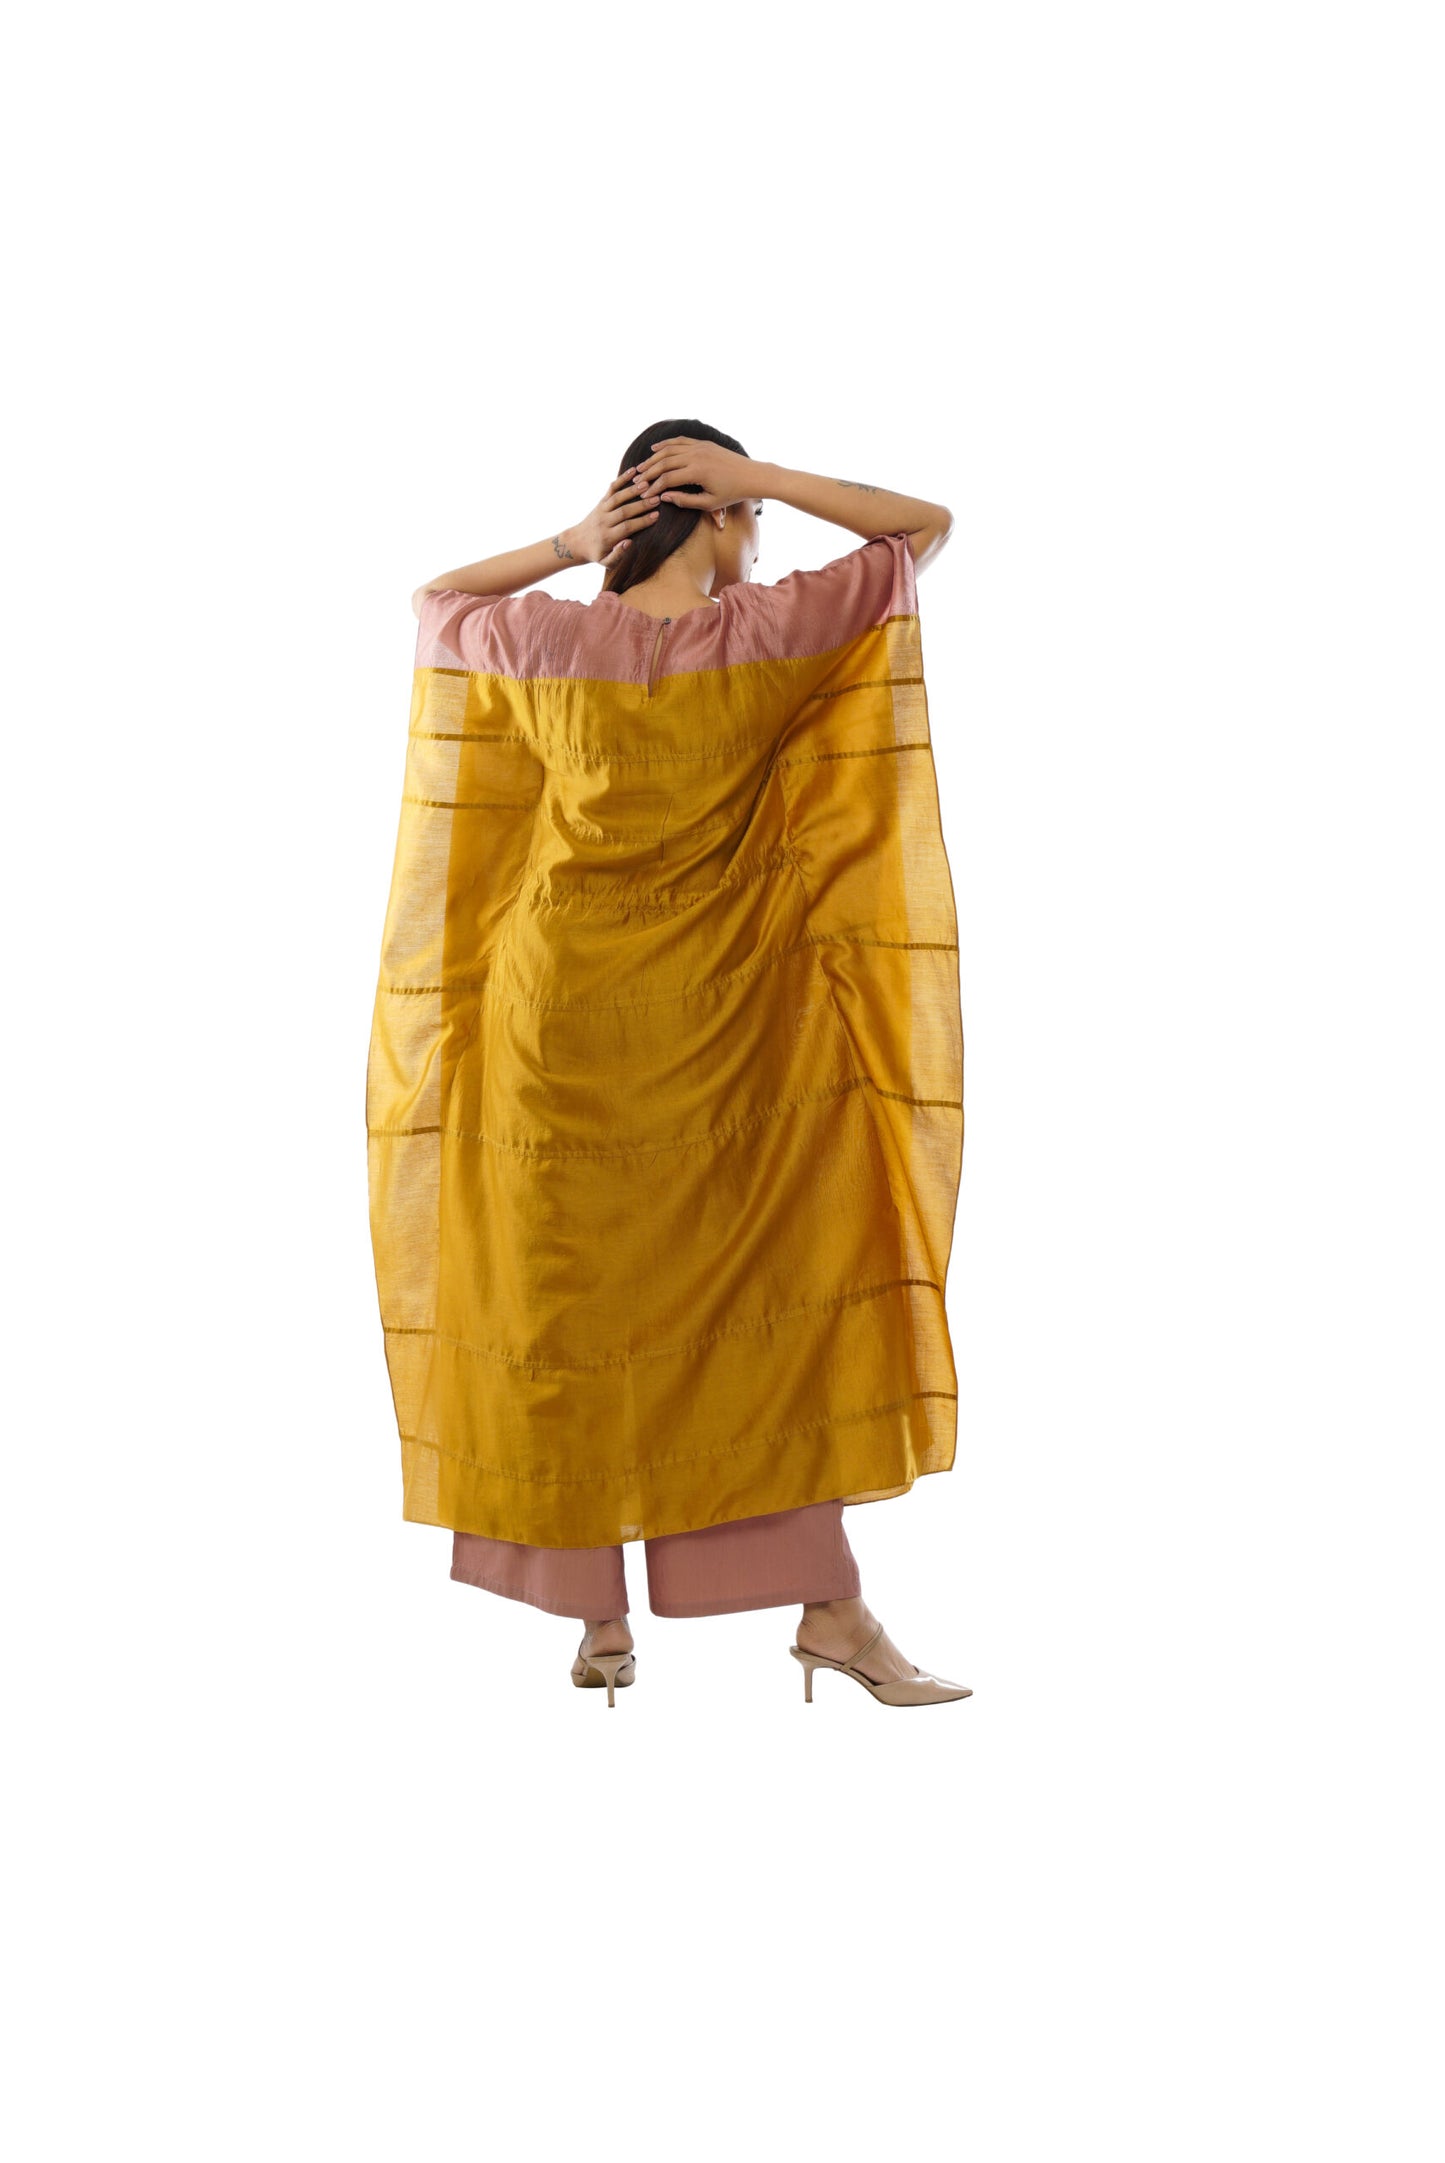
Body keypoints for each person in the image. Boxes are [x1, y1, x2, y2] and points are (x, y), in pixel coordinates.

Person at [367, 421, 970, 1708]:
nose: (758, 538)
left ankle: (599, 1621)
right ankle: (828, 1612)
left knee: (565, 1312)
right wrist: (760, 479)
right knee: (760, 1312)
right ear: (717, 517)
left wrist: (567, 545)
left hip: (551, 1032)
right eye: (747, 516)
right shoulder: (767, 635)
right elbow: (921, 530)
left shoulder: (544, 640)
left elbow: (435, 601)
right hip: (727, 1033)